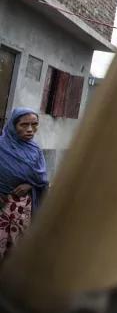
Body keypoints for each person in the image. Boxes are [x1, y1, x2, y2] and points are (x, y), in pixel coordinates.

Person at [0, 107, 48, 260]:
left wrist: (30, 185)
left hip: (21, 211)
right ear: (13, 126)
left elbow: (42, 179)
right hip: (2, 206)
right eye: (24, 125)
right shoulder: (2, 146)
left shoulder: (35, 151)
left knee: (14, 251)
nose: (30, 129)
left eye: (34, 124)